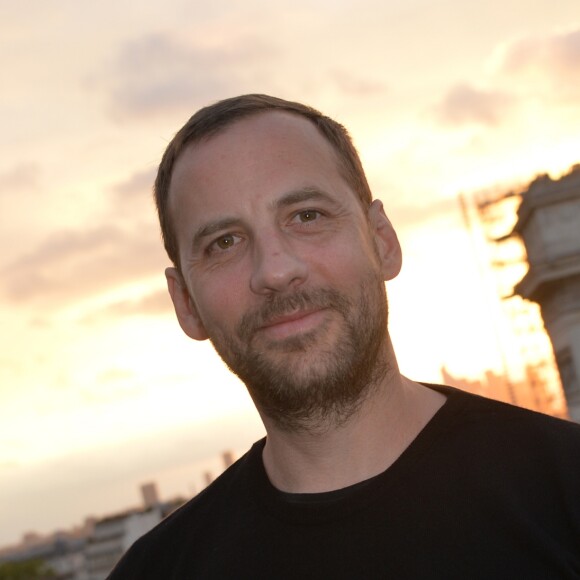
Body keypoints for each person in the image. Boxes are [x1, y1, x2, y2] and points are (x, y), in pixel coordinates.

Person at [108, 95, 580, 579]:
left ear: (382, 240)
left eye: (306, 216)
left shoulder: (567, 488)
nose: (275, 269)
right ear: (185, 302)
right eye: (224, 242)